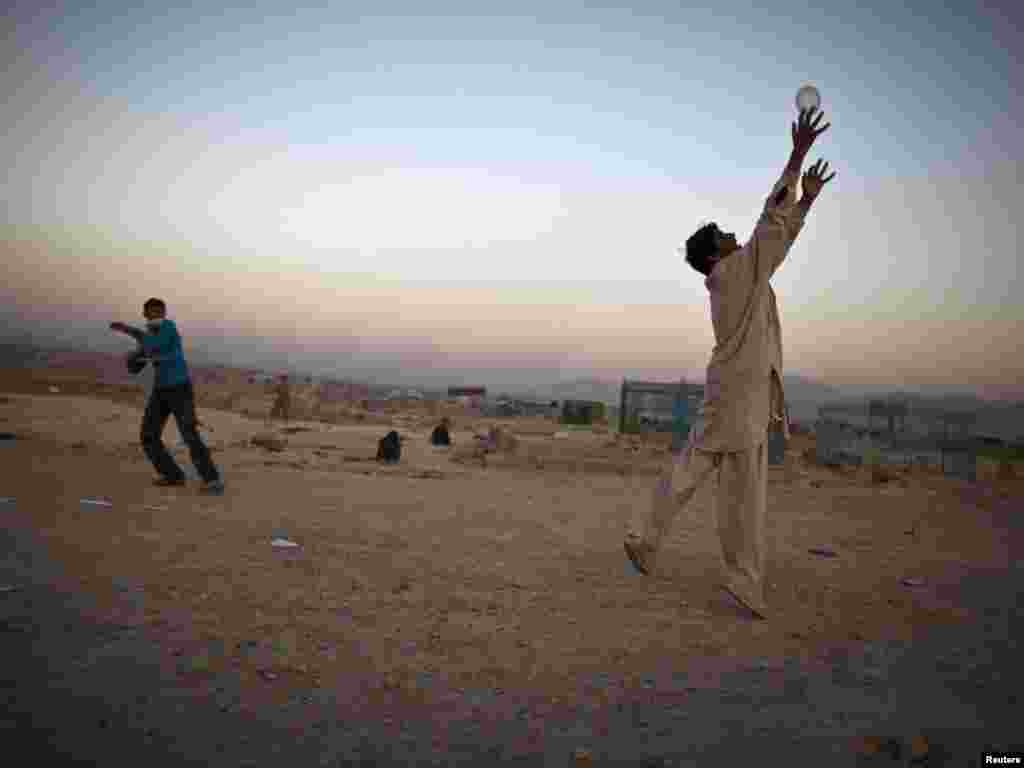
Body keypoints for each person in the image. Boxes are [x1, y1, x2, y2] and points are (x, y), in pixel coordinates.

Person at [623, 107, 836, 620]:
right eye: (723, 234)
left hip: (734, 390)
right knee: (743, 491)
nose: (733, 234)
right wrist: (797, 156)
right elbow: (769, 228)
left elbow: (774, 239)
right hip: (740, 394)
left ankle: (647, 539)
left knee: (697, 464)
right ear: (714, 252)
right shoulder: (735, 271)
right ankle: (740, 578)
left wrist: (804, 203)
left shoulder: (736, 274)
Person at [110, 298, 224, 494]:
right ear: (145, 315)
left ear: (164, 314)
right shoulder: (149, 337)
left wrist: (132, 336)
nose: (155, 316)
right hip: (161, 390)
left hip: (180, 389)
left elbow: (155, 345)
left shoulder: (168, 329)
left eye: (158, 313)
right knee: (148, 435)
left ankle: (212, 480)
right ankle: (172, 475)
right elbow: (135, 366)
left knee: (189, 435)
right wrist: (132, 352)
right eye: (151, 313)